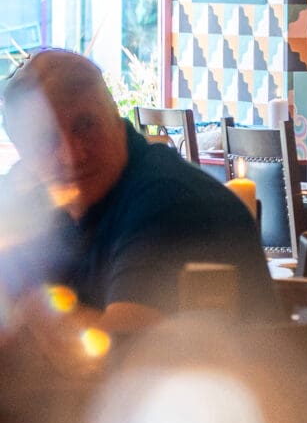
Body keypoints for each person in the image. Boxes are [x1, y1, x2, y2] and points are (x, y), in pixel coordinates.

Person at [0, 52, 270, 329]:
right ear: (25, 156)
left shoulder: (171, 200)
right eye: (47, 139)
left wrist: (30, 317)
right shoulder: (34, 198)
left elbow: (120, 351)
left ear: (116, 119)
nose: (73, 155)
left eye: (86, 125)